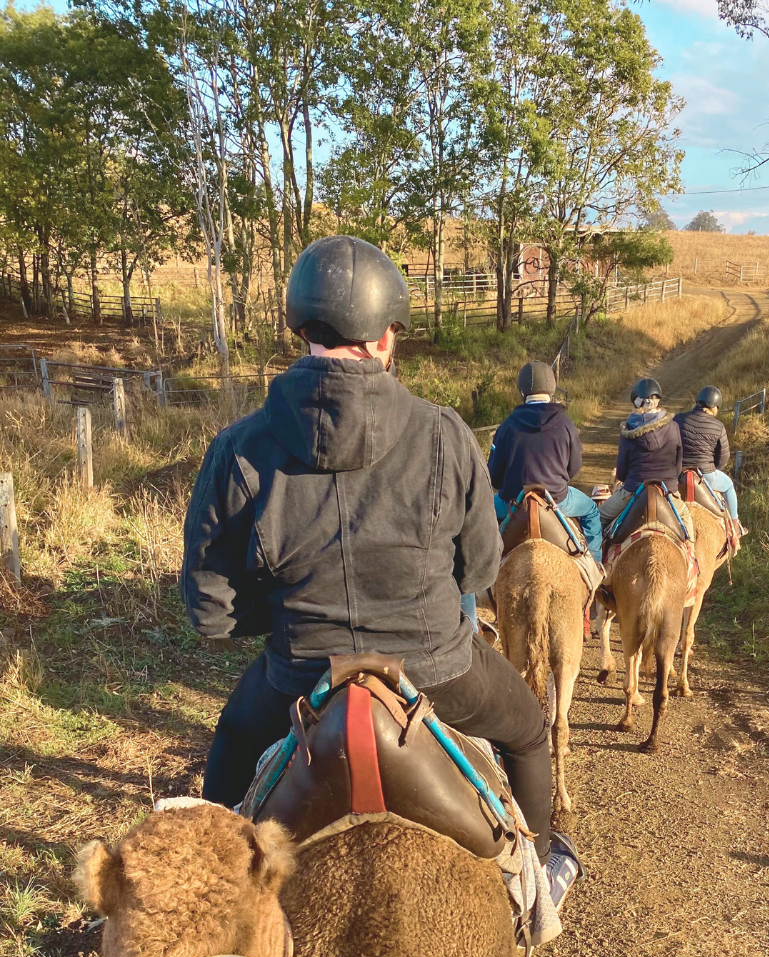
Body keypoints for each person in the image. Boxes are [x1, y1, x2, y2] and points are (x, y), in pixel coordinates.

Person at [181, 235, 579, 906]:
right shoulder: (445, 432)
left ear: (301, 329)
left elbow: (209, 612)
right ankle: (539, 880)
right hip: (438, 670)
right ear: (387, 335)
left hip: (299, 676)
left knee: (233, 741)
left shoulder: (238, 447)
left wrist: (281, 616)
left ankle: (218, 897)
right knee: (528, 730)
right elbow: (479, 568)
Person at [486, 361, 603, 562]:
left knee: (477, 513)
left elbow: (494, 477)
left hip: (513, 502)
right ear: (551, 390)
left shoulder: (507, 426)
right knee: (592, 511)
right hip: (557, 499)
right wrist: (557, 480)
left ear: (522, 391)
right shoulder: (566, 424)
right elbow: (574, 467)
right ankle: (595, 565)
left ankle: (476, 572)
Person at [598, 377, 694, 543]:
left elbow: (621, 473)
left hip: (633, 490)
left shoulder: (628, 430)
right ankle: (691, 556)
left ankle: (594, 557)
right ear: (657, 401)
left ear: (636, 402)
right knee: (686, 519)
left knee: (597, 517)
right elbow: (678, 465)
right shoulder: (673, 426)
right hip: (668, 490)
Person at [674, 385, 743, 552]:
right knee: (728, 485)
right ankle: (735, 524)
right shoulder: (718, 426)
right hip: (705, 475)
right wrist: (713, 469)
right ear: (715, 407)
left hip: (677, 475)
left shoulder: (678, 419)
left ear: (697, 402)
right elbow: (724, 456)